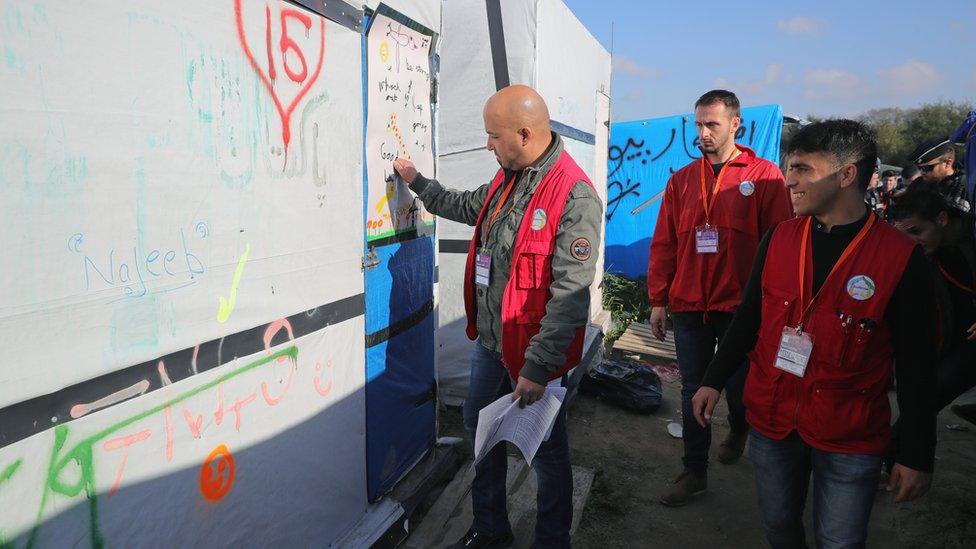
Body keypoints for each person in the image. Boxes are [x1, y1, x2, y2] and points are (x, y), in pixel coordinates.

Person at [692, 120, 938, 547]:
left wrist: (916, 454)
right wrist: (713, 379)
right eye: (791, 167)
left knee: (839, 541)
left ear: (846, 175)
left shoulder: (901, 258)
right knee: (778, 529)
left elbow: (917, 366)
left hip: (850, 434)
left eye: (804, 168)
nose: (790, 179)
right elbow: (749, 318)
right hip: (773, 420)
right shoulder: (779, 238)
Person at [392, 84, 601, 549]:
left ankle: (552, 540)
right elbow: (468, 207)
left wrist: (537, 368)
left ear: (524, 134)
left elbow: (570, 295)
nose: (488, 144)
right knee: (479, 430)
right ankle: (490, 529)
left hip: (533, 355)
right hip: (491, 342)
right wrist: (419, 183)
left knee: (547, 453)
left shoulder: (574, 196)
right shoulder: (508, 177)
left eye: (493, 136)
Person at [646, 89, 792, 506]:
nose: (704, 132)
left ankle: (740, 428)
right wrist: (659, 298)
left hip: (740, 309)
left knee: (742, 387)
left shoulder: (764, 177)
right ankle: (695, 470)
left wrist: (772, 306)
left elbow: (779, 245)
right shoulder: (682, 181)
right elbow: (665, 243)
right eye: (699, 124)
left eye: (712, 124)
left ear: (735, 124)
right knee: (694, 388)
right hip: (691, 305)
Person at [888, 183, 976, 459]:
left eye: (917, 232)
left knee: (932, 392)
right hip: (955, 338)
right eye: (904, 234)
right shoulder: (925, 253)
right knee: (926, 392)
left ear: (941, 219)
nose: (911, 241)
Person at [910, 136, 969, 213]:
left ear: (947, 163)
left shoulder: (967, 188)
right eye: (919, 168)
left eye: (927, 168)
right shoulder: (918, 185)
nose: (922, 172)